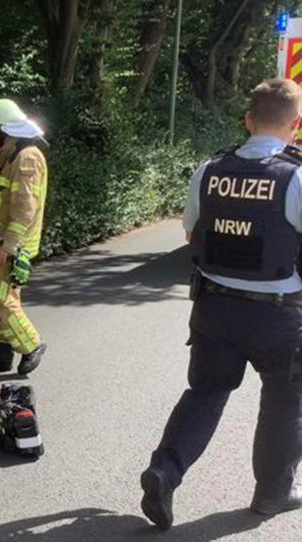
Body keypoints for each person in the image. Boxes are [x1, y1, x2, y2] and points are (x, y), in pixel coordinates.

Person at [140, 78, 302, 530]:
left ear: (248, 120)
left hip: (214, 309)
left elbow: (193, 235)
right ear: (297, 124)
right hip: (279, 314)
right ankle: (272, 494)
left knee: (206, 393)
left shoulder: (209, 170)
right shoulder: (297, 177)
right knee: (285, 402)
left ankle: (164, 471)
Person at [0, 98, 48, 374]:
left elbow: (25, 207)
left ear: (2, 128)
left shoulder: (26, 158)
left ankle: (32, 345)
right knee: (0, 298)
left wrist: (10, 245)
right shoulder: (9, 157)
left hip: (11, 247)